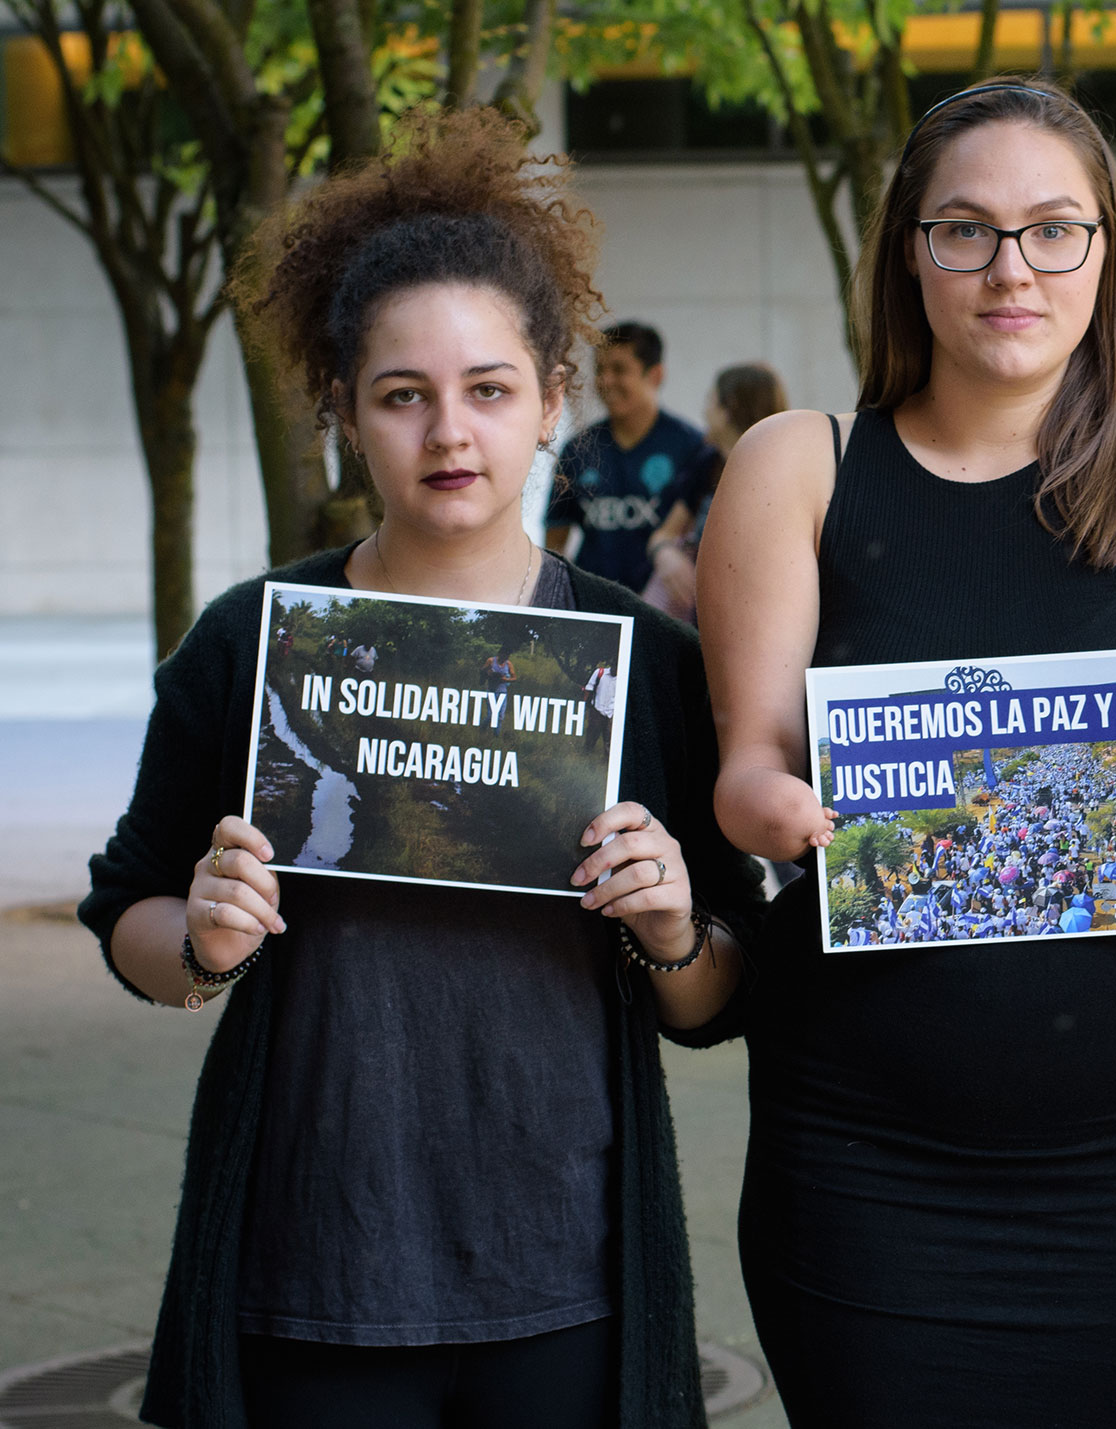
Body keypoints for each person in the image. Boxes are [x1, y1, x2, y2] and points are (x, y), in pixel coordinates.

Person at [77, 109, 764, 1429]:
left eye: (491, 389)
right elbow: (130, 919)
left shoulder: (641, 660)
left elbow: (720, 993)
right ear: (340, 409)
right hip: (309, 1270)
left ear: (553, 397)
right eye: (403, 395)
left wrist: (676, 926)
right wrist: (206, 937)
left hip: (567, 1276)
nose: (451, 432)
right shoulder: (253, 646)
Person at [699, 78, 1116, 1427]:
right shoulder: (801, 463)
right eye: (964, 230)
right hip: (866, 1153)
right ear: (909, 251)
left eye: (1052, 229)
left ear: (1106, 250)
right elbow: (747, 765)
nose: (1010, 267)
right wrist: (771, 803)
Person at [543, 320, 717, 594]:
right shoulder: (578, 449)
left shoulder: (692, 447)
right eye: (600, 369)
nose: (606, 380)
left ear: (655, 375)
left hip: (665, 609)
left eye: (619, 369)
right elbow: (555, 541)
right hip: (595, 607)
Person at [642, 361, 789, 620]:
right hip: (705, 612)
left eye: (711, 401)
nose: (704, 411)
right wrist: (666, 555)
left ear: (728, 409)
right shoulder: (708, 463)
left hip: (762, 613)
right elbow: (664, 534)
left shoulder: (783, 469)